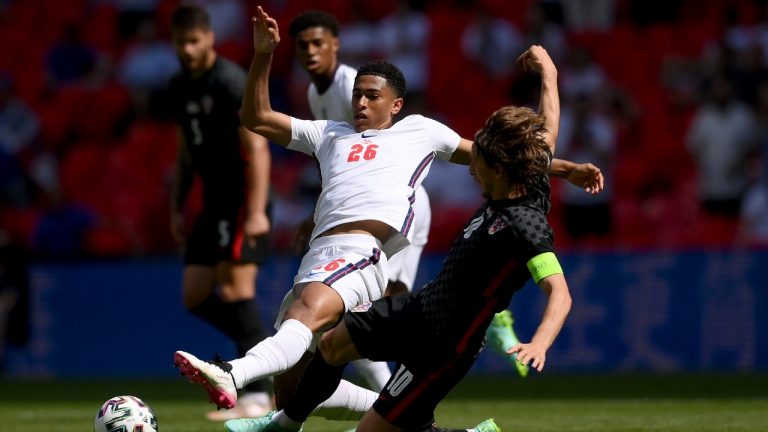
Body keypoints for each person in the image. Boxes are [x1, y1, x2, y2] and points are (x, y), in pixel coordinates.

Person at [174, 6, 600, 422]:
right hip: (320, 253)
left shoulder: (420, 131)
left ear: (396, 105)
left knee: (306, 316)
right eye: (357, 94)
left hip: (363, 251)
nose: (359, 102)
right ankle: (400, 412)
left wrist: (565, 169)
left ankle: (232, 372)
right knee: (294, 385)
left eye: (371, 95)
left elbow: (501, 154)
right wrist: (264, 54)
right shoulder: (329, 133)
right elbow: (256, 117)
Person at [289, 9, 530, 384]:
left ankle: (401, 403)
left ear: (336, 45)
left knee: (374, 312)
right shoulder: (314, 94)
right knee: (368, 314)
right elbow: (341, 161)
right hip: (361, 212)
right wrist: (319, 212)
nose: (309, 53)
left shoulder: (353, 84)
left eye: (317, 43)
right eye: (301, 46)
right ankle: (389, 407)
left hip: (395, 211)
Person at [167, 4, 274, 420]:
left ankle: (259, 392)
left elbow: (257, 147)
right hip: (211, 202)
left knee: (235, 291)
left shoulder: (230, 81)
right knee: (194, 295)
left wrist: (258, 211)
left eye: (195, 41)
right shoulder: (178, 86)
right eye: (181, 42)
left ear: (209, 38)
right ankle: (273, 352)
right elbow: (184, 153)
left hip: (241, 198)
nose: (189, 49)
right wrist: (176, 204)